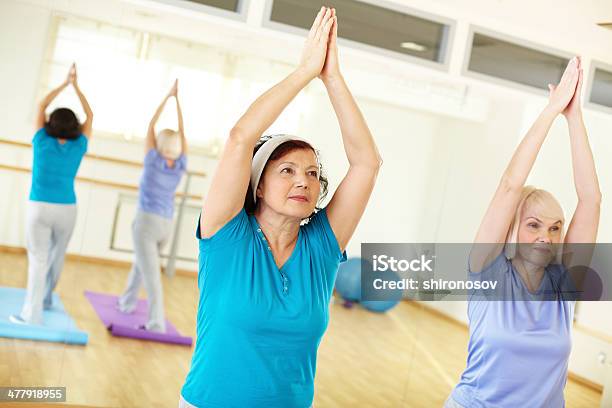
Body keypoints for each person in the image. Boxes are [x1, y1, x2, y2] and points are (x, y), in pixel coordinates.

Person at [180, 7, 381, 408]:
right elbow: (241, 137)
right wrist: (304, 72)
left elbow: (366, 163)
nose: (303, 181)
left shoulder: (322, 247)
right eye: (287, 170)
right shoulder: (227, 234)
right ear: (257, 182)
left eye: (311, 173)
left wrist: (333, 79)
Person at [447, 57, 601, 407]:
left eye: (555, 227)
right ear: (511, 231)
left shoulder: (564, 284)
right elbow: (509, 186)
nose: (545, 236)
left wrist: (574, 117)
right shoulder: (487, 271)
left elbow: (591, 199)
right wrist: (550, 112)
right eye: (533, 225)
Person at [10, 63, 93, 325]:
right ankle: (46, 298)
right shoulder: (79, 144)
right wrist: (76, 87)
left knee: (38, 259)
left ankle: (31, 314)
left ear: (50, 123)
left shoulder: (41, 140)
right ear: (75, 127)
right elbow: (90, 115)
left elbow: (40, 106)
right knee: (57, 255)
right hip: (67, 209)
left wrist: (63, 84)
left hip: (39, 207)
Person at [117, 79, 187, 333]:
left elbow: (150, 125)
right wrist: (177, 102)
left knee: (151, 275)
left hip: (146, 222)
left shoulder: (152, 160)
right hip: (166, 223)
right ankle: (126, 301)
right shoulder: (179, 165)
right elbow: (183, 131)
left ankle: (156, 322)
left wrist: (168, 97)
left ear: (159, 144)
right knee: (142, 263)